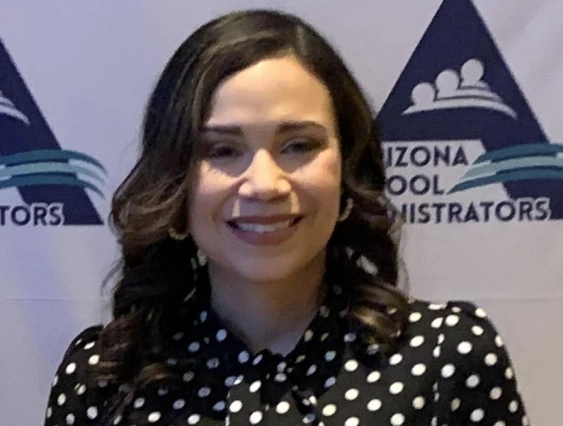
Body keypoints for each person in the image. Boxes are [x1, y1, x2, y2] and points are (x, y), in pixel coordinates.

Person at [44, 9, 529, 426]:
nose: (265, 184)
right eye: (223, 150)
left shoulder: (449, 356)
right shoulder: (104, 377)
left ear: (347, 171)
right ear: (175, 182)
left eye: (298, 145)